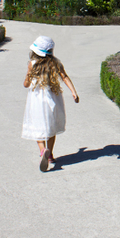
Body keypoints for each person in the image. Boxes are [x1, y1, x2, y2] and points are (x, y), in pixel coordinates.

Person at [22, 36, 79, 171]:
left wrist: (27, 81)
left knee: (37, 127)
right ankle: (50, 154)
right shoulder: (55, 63)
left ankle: (43, 150)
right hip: (53, 99)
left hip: (37, 100)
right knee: (51, 128)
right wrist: (74, 92)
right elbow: (64, 77)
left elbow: (26, 84)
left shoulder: (32, 64)